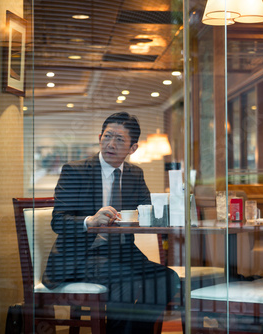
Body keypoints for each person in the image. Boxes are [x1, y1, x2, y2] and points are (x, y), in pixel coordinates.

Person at [43, 112, 180, 333]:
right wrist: (90, 220)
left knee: (166, 278)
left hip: (123, 252)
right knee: (123, 278)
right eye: (107, 136)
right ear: (99, 137)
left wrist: (174, 205)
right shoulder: (75, 171)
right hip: (81, 255)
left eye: (119, 139)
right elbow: (58, 222)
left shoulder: (135, 174)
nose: (111, 144)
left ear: (133, 148)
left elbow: (149, 213)